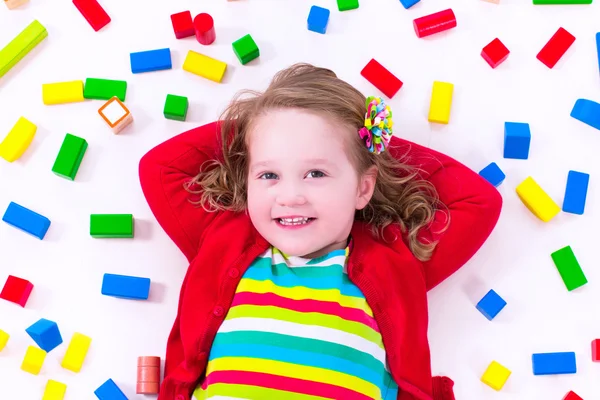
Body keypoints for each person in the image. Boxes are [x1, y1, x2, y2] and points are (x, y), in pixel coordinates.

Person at [139, 63, 503, 400]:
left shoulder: (395, 259)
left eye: (316, 173)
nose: (291, 196)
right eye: (269, 174)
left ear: (363, 189)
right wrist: (260, 124)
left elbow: (479, 201)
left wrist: (365, 143)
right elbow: (160, 167)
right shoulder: (224, 238)